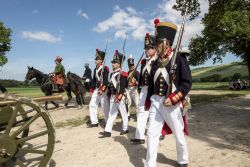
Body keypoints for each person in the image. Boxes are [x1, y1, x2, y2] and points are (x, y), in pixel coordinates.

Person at [144, 19, 192, 167]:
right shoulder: (154, 62)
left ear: (165, 42)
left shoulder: (179, 58)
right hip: (156, 103)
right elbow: (152, 85)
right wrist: (148, 100)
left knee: (178, 133)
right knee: (151, 134)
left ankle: (183, 160)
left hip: (172, 103)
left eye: (157, 43)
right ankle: (150, 164)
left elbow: (186, 83)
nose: (155, 46)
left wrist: (173, 99)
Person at [130, 32, 157, 144]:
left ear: (155, 48)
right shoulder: (144, 62)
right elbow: (142, 77)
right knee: (141, 111)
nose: (146, 50)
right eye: (146, 48)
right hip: (144, 90)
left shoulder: (158, 60)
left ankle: (159, 133)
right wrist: (137, 83)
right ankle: (139, 136)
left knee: (155, 112)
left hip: (155, 90)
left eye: (149, 48)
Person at [99, 50, 128, 137]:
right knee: (112, 113)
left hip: (119, 97)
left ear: (119, 64)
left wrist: (119, 96)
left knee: (123, 113)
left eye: (115, 63)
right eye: (112, 63)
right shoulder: (112, 74)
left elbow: (122, 87)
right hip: (112, 96)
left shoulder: (122, 74)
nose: (112, 64)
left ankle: (125, 128)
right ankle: (108, 131)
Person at [88, 49, 110, 127]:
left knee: (105, 106)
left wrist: (102, 89)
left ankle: (108, 122)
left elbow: (106, 80)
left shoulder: (105, 68)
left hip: (103, 89)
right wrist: (91, 89)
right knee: (92, 105)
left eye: (97, 59)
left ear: (101, 60)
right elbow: (94, 81)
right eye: (96, 59)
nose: (96, 60)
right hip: (96, 89)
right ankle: (94, 122)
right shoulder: (95, 69)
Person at [126, 55, 140, 120]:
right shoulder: (128, 72)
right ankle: (127, 115)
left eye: (132, 65)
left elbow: (139, 82)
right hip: (129, 89)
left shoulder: (136, 73)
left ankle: (138, 115)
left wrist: (135, 83)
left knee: (137, 103)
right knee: (128, 102)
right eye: (130, 65)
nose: (131, 66)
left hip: (135, 89)